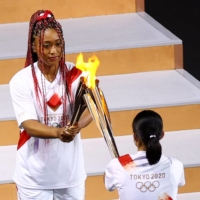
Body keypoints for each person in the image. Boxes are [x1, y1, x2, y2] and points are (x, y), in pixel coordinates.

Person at [9, 10, 92, 200]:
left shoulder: (75, 74)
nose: (53, 51)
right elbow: (29, 125)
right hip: (34, 179)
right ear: (34, 46)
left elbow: (94, 108)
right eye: (46, 46)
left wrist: (77, 125)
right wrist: (58, 132)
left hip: (70, 176)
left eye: (57, 44)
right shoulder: (21, 81)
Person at [104, 110, 185, 200]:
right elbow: (180, 183)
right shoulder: (175, 165)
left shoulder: (118, 165)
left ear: (135, 137)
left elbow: (109, 185)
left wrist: (113, 167)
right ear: (161, 135)